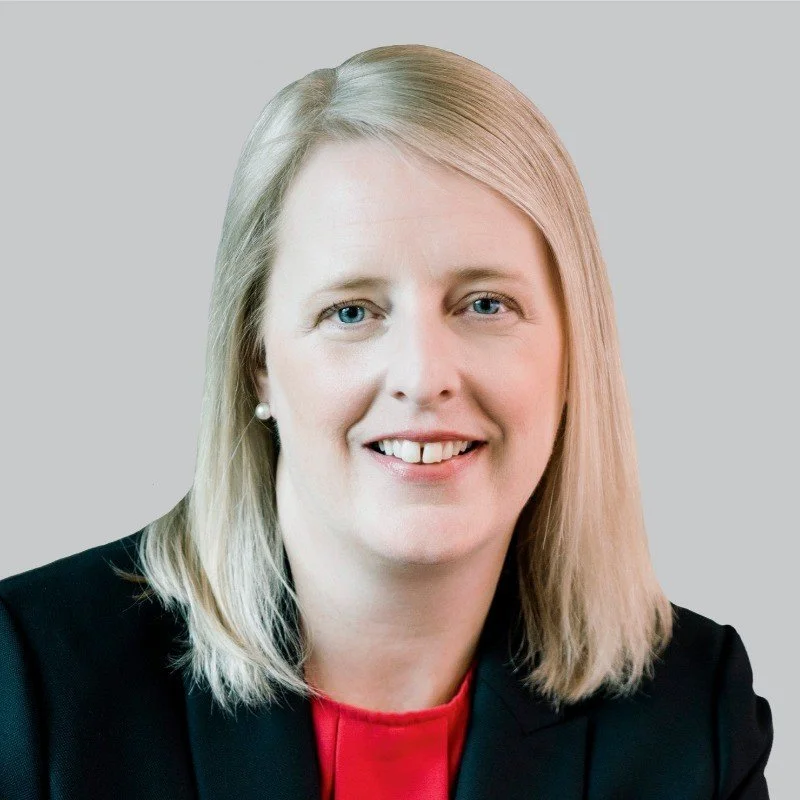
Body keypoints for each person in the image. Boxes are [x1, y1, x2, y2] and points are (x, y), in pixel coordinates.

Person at [0, 43, 773, 800]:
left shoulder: (692, 715)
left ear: (575, 353)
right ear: (257, 362)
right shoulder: (32, 685)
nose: (424, 377)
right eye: (352, 311)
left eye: (484, 305)